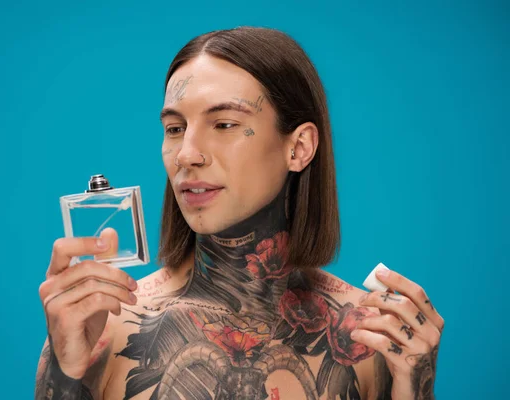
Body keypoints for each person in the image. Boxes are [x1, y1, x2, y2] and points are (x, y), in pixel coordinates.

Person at [34, 26, 444, 400]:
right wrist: (65, 372)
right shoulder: (107, 330)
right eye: (175, 128)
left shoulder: (367, 339)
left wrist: (414, 388)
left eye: (225, 124)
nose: (187, 154)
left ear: (298, 148)